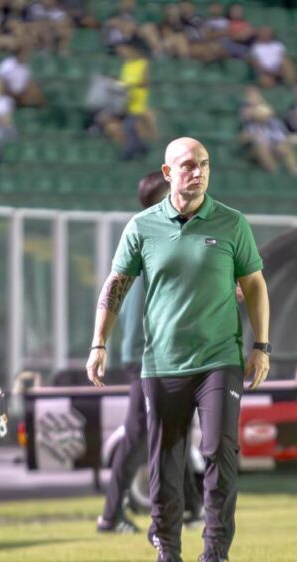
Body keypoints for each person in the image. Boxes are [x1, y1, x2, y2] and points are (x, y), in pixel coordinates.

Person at [86, 137, 270, 562]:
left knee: (219, 450)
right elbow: (115, 285)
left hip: (219, 359)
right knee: (164, 461)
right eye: (188, 165)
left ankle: (214, 555)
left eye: (204, 164)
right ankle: (167, 557)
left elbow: (255, 285)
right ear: (168, 173)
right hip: (162, 363)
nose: (198, 172)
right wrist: (98, 343)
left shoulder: (232, 223)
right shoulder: (142, 226)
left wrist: (261, 346)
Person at [96, 171, 203, 535]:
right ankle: (111, 514)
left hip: (167, 353)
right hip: (146, 353)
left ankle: (192, 506)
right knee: (139, 433)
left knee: (173, 427)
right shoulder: (149, 234)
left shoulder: (167, 234)